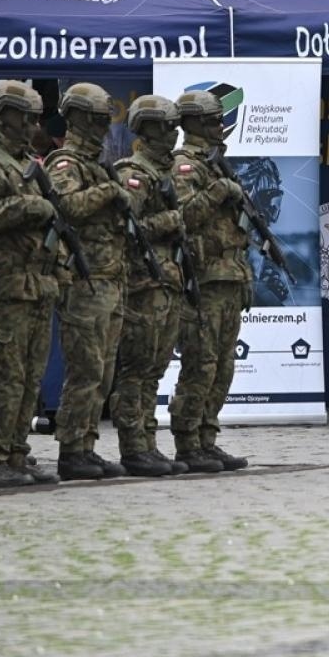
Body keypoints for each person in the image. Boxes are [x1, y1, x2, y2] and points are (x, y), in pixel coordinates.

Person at [0, 81, 61, 490]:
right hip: (2, 288)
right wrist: (31, 205)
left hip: (34, 286)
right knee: (1, 377)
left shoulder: (27, 164)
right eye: (27, 118)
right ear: (3, 116)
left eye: (37, 119)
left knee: (27, 379)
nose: (33, 125)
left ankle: (16, 452)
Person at [45, 83, 132, 481]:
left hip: (110, 278)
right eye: (97, 118)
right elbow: (66, 207)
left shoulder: (99, 162)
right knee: (85, 370)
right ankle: (71, 449)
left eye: (105, 119)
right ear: (77, 118)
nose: (102, 126)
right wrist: (108, 192)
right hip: (84, 280)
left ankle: (88, 445)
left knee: (104, 372)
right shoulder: (66, 162)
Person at [170, 90, 255, 468]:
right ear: (193, 124)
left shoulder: (218, 164)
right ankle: (187, 440)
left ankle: (207, 435)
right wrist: (219, 190)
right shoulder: (185, 165)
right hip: (203, 280)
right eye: (212, 121)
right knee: (200, 363)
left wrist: (244, 272)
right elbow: (185, 216)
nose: (220, 127)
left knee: (223, 365)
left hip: (228, 277)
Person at [111, 95, 189, 477]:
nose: (175, 133)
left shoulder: (167, 172)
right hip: (143, 285)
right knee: (137, 368)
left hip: (166, 282)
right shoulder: (133, 173)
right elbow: (126, 229)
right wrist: (169, 221)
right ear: (150, 128)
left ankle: (148, 441)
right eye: (168, 126)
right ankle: (132, 445)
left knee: (155, 369)